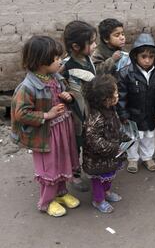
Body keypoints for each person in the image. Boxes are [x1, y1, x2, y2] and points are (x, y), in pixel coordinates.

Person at [11, 36, 80, 217]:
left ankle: (61, 193)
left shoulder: (55, 77)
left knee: (63, 162)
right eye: (57, 58)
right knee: (49, 167)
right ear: (42, 61)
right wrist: (47, 115)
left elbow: (67, 94)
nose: (60, 61)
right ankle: (46, 202)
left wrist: (68, 96)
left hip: (62, 129)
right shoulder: (27, 87)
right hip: (45, 135)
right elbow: (21, 114)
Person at [117, 33, 155, 173]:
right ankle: (132, 159)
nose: (147, 60)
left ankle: (147, 157)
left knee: (148, 136)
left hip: (149, 112)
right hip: (133, 113)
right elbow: (121, 96)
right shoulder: (125, 73)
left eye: (151, 57)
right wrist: (123, 113)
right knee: (133, 137)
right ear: (135, 56)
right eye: (143, 56)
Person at [82, 74, 130, 213]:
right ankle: (98, 200)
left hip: (111, 156)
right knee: (98, 180)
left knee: (109, 176)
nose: (118, 94)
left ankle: (106, 193)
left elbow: (114, 128)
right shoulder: (96, 117)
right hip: (98, 159)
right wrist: (113, 147)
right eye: (115, 92)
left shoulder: (110, 110)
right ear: (105, 99)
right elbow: (93, 139)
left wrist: (124, 137)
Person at [61, 20, 97, 192]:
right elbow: (58, 86)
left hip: (90, 110)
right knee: (75, 144)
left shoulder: (87, 58)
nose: (94, 45)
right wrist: (67, 96)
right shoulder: (65, 66)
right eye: (90, 42)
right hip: (75, 113)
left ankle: (89, 168)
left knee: (90, 140)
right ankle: (74, 175)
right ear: (75, 46)